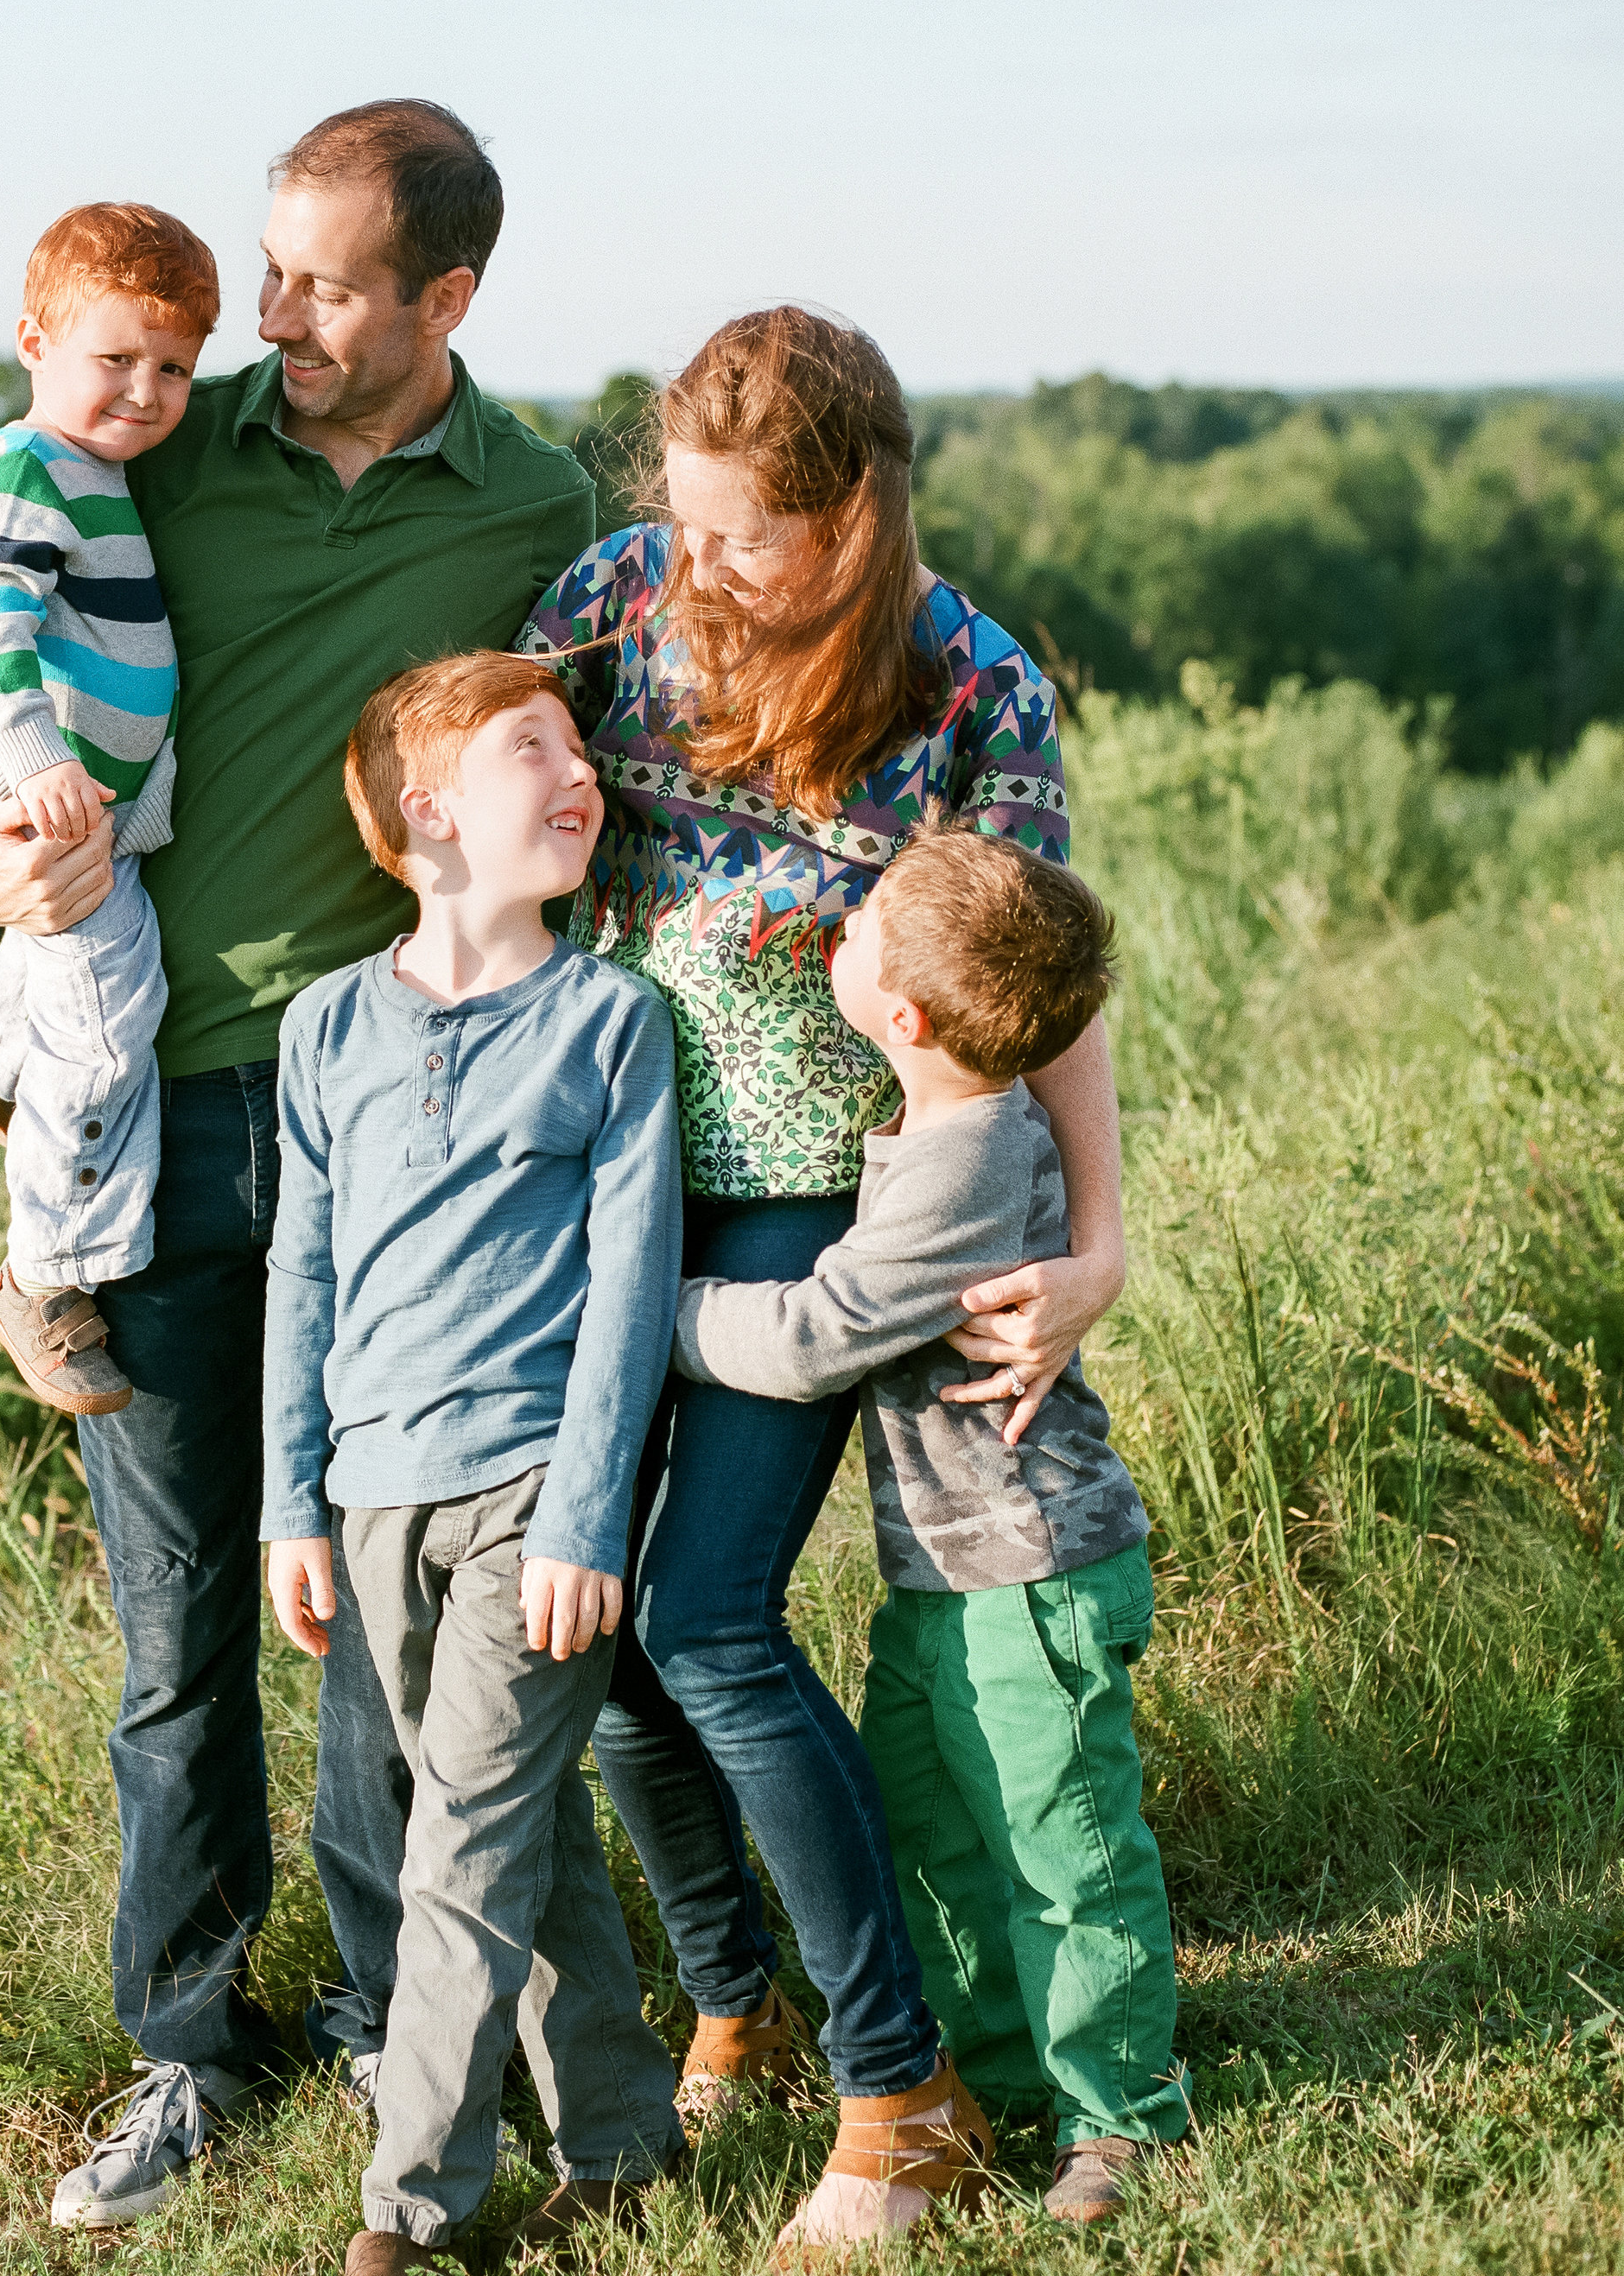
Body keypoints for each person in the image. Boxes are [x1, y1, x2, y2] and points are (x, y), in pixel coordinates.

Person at [0, 105, 598, 2231]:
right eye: (271, 271)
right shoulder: (161, 445)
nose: (280, 322)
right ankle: (184, 2046)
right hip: (148, 1104)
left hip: (387, 1126)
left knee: (378, 1607)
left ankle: (388, 2015)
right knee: (175, 1629)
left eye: (324, 285)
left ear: (447, 302)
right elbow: (7, 701)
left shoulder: (530, 501)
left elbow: (576, 781)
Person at [517, 305, 1130, 2251]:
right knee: (590, 1634)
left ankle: (900, 2090)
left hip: (809, 1202)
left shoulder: (969, 686)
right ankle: (732, 1998)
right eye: (684, 523)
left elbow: (1041, 991)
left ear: (854, 513)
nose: (703, 564)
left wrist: (1098, 1241)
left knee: (705, 1620)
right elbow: (475, 799)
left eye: (744, 536)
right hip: (607, 1166)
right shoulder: (621, 596)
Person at [673, 819, 1189, 2228]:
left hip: (1034, 1564)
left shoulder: (967, 1159)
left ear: (894, 1012)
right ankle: (1006, 2072)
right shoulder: (931, 1110)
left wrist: (644, 1314)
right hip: (946, 1564)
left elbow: (809, 1334)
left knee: (1063, 1839)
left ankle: (1119, 2114)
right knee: (935, 1824)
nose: (829, 934)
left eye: (854, 933)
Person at [263, 653, 686, 2276]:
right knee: (520, 1825)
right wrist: (291, 1498)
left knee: (460, 1836)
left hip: (533, 1502)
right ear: (429, 812)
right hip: (373, 1497)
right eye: (537, 747)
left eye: (583, 748)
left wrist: (589, 1510)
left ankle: (411, 2211)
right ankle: (627, 2135)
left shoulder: (608, 1024)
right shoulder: (326, 1028)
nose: (583, 773)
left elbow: (633, 1295)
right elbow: (305, 1273)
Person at [0, 204, 219, 1419]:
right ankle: (44, 1276)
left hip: (83, 789)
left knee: (79, 979)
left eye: (174, 369)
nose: (146, 390)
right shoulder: (27, 460)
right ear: (33, 339)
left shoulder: (99, 471)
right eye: (116, 359)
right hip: (37, 783)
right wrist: (35, 746)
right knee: (113, 1018)